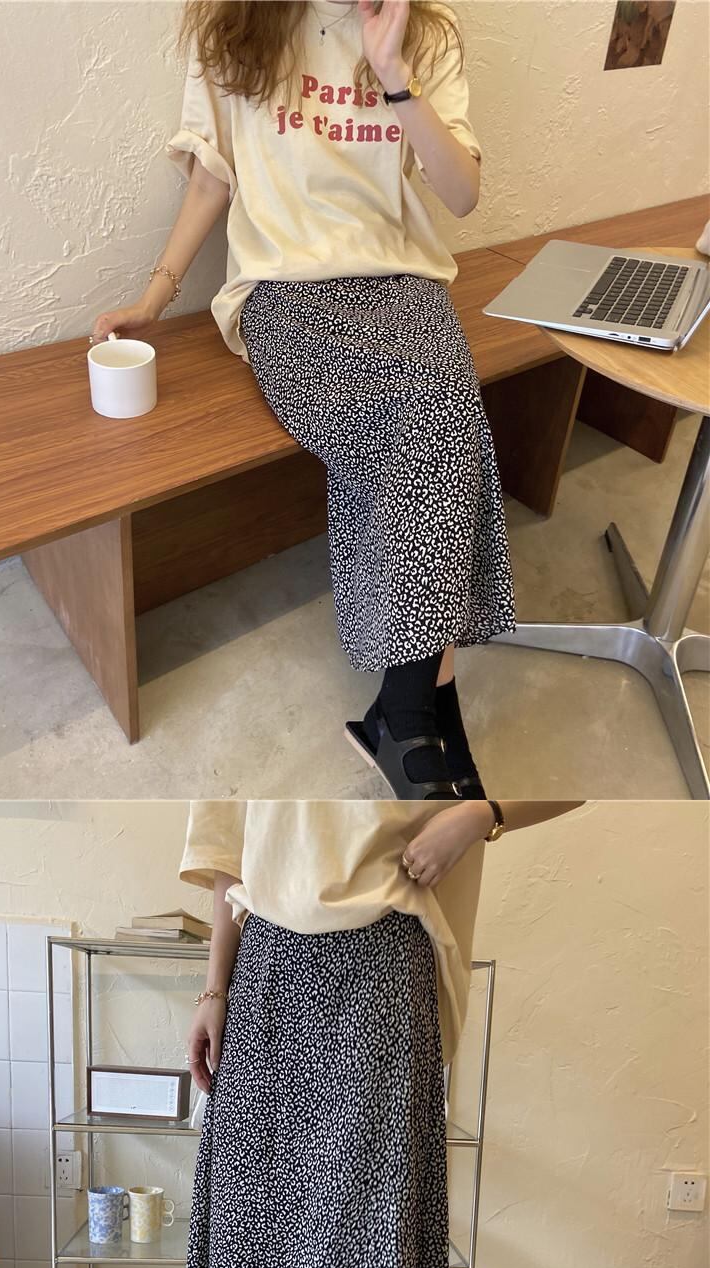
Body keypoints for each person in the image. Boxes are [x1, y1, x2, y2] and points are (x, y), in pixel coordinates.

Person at [91, 0, 515, 804]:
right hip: (285, 295)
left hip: (403, 285)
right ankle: (419, 713)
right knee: (423, 430)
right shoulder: (237, 26)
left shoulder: (428, 31)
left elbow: (461, 196)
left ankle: (408, 711)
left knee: (447, 415)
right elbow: (212, 178)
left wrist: (394, 74)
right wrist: (155, 297)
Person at [146, 797, 583, 1268]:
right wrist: (214, 990)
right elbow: (227, 854)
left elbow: (573, 778)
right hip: (266, 958)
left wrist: (480, 812)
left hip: (383, 953)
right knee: (258, 1217)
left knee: (362, 1221)